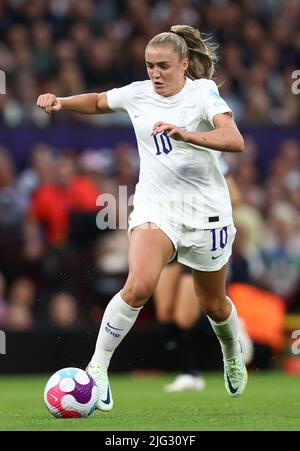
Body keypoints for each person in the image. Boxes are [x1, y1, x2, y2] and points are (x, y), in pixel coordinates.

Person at [37, 24, 246, 413]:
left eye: (164, 66)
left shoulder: (203, 93)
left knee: (213, 304)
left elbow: (234, 140)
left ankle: (231, 351)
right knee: (137, 287)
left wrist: (186, 134)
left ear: (184, 64)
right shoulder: (138, 94)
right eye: (150, 65)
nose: (155, 74)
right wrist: (61, 102)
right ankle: (97, 369)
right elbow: (99, 102)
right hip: (156, 208)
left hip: (206, 213)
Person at [154, 167, 253, 392]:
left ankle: (235, 332)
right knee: (165, 312)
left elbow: (234, 197)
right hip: (170, 237)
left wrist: (196, 208)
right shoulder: (159, 152)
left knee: (185, 315)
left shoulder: (206, 153)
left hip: (198, 239)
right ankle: (188, 373)